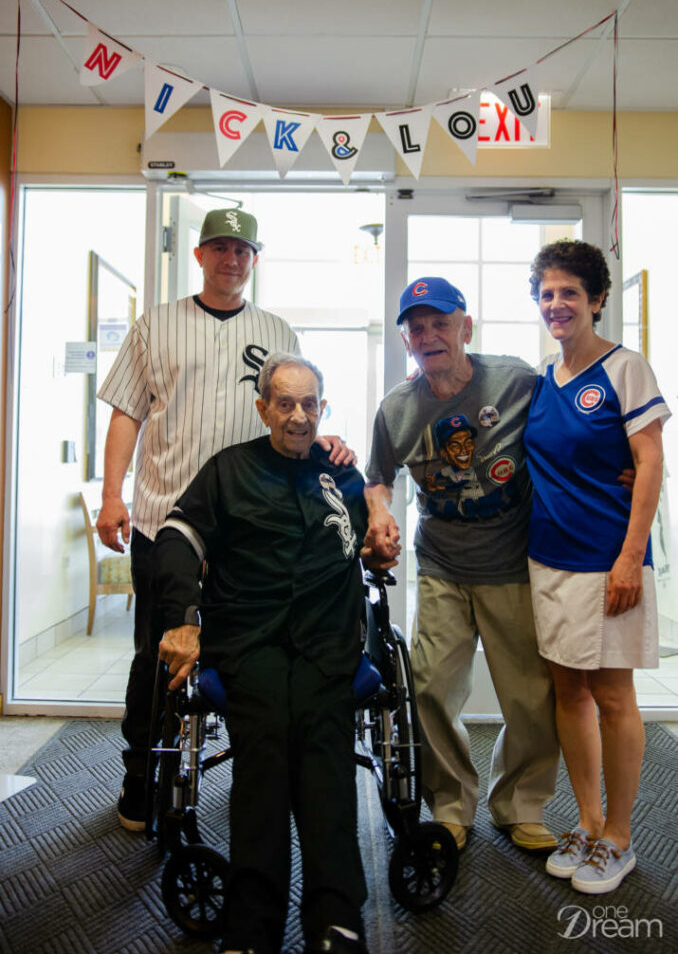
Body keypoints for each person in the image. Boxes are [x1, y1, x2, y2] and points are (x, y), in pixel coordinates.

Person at [96, 208, 353, 831]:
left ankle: (259, 770)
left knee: (246, 651)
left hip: (248, 532)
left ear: (253, 259)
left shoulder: (276, 329)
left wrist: (327, 441)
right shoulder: (156, 326)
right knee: (156, 655)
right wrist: (112, 494)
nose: (230, 260)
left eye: (242, 250)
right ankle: (140, 777)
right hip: (165, 520)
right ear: (200, 255)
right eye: (219, 248)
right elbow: (128, 411)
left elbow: (296, 411)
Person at [154, 354, 387, 954]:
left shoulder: (341, 474)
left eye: (310, 404)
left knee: (325, 757)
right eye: (285, 403)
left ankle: (335, 917)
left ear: (323, 408)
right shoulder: (228, 469)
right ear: (263, 409)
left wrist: (381, 539)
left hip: (327, 643)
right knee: (263, 756)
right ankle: (252, 924)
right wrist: (184, 620)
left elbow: (373, 540)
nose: (299, 416)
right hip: (249, 639)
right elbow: (178, 537)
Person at [364, 276, 560, 854]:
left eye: (440, 323)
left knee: (529, 696)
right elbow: (378, 479)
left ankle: (519, 805)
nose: (429, 335)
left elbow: (575, 427)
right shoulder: (397, 409)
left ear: (465, 328)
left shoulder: (518, 379)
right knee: (429, 689)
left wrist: (620, 467)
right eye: (416, 327)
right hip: (442, 565)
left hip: (514, 563)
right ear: (406, 341)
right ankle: (451, 806)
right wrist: (379, 513)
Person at [524, 240, 670, 894]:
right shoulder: (542, 378)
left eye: (570, 294)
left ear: (597, 300)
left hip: (609, 561)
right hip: (548, 561)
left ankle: (618, 836)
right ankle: (583, 822)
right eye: (548, 293)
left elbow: (649, 464)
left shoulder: (625, 368)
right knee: (570, 693)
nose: (557, 305)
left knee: (613, 696)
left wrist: (630, 558)